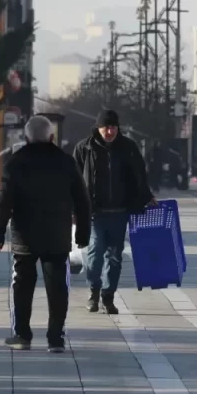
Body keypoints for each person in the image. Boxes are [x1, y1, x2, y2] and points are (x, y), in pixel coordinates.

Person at [0, 115, 91, 353]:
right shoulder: (66, 162)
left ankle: (22, 335)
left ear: (26, 138)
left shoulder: (15, 163)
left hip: (24, 236)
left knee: (22, 285)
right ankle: (55, 338)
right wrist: (83, 235)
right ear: (52, 137)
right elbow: (83, 201)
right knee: (58, 287)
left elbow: (4, 202)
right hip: (57, 236)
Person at [73, 109, 156, 315]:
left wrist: (147, 197)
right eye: (105, 127)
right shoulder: (85, 148)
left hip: (120, 211)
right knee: (94, 254)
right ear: (98, 127)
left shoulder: (128, 148)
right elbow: (73, 179)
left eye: (113, 127)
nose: (109, 131)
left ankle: (108, 297)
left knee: (115, 256)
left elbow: (139, 175)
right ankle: (94, 291)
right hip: (94, 212)